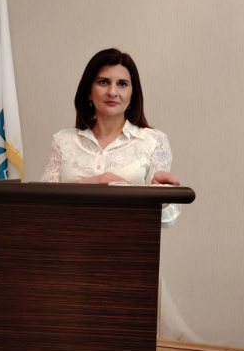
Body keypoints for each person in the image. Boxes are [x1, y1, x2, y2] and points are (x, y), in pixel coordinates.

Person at [41, 48, 181, 228]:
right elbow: (42, 205)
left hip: (128, 242)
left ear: (132, 94)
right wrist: (87, 183)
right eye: (103, 82)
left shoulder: (153, 141)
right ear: (89, 91)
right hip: (67, 241)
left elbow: (166, 221)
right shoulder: (63, 140)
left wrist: (164, 196)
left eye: (122, 84)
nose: (112, 92)